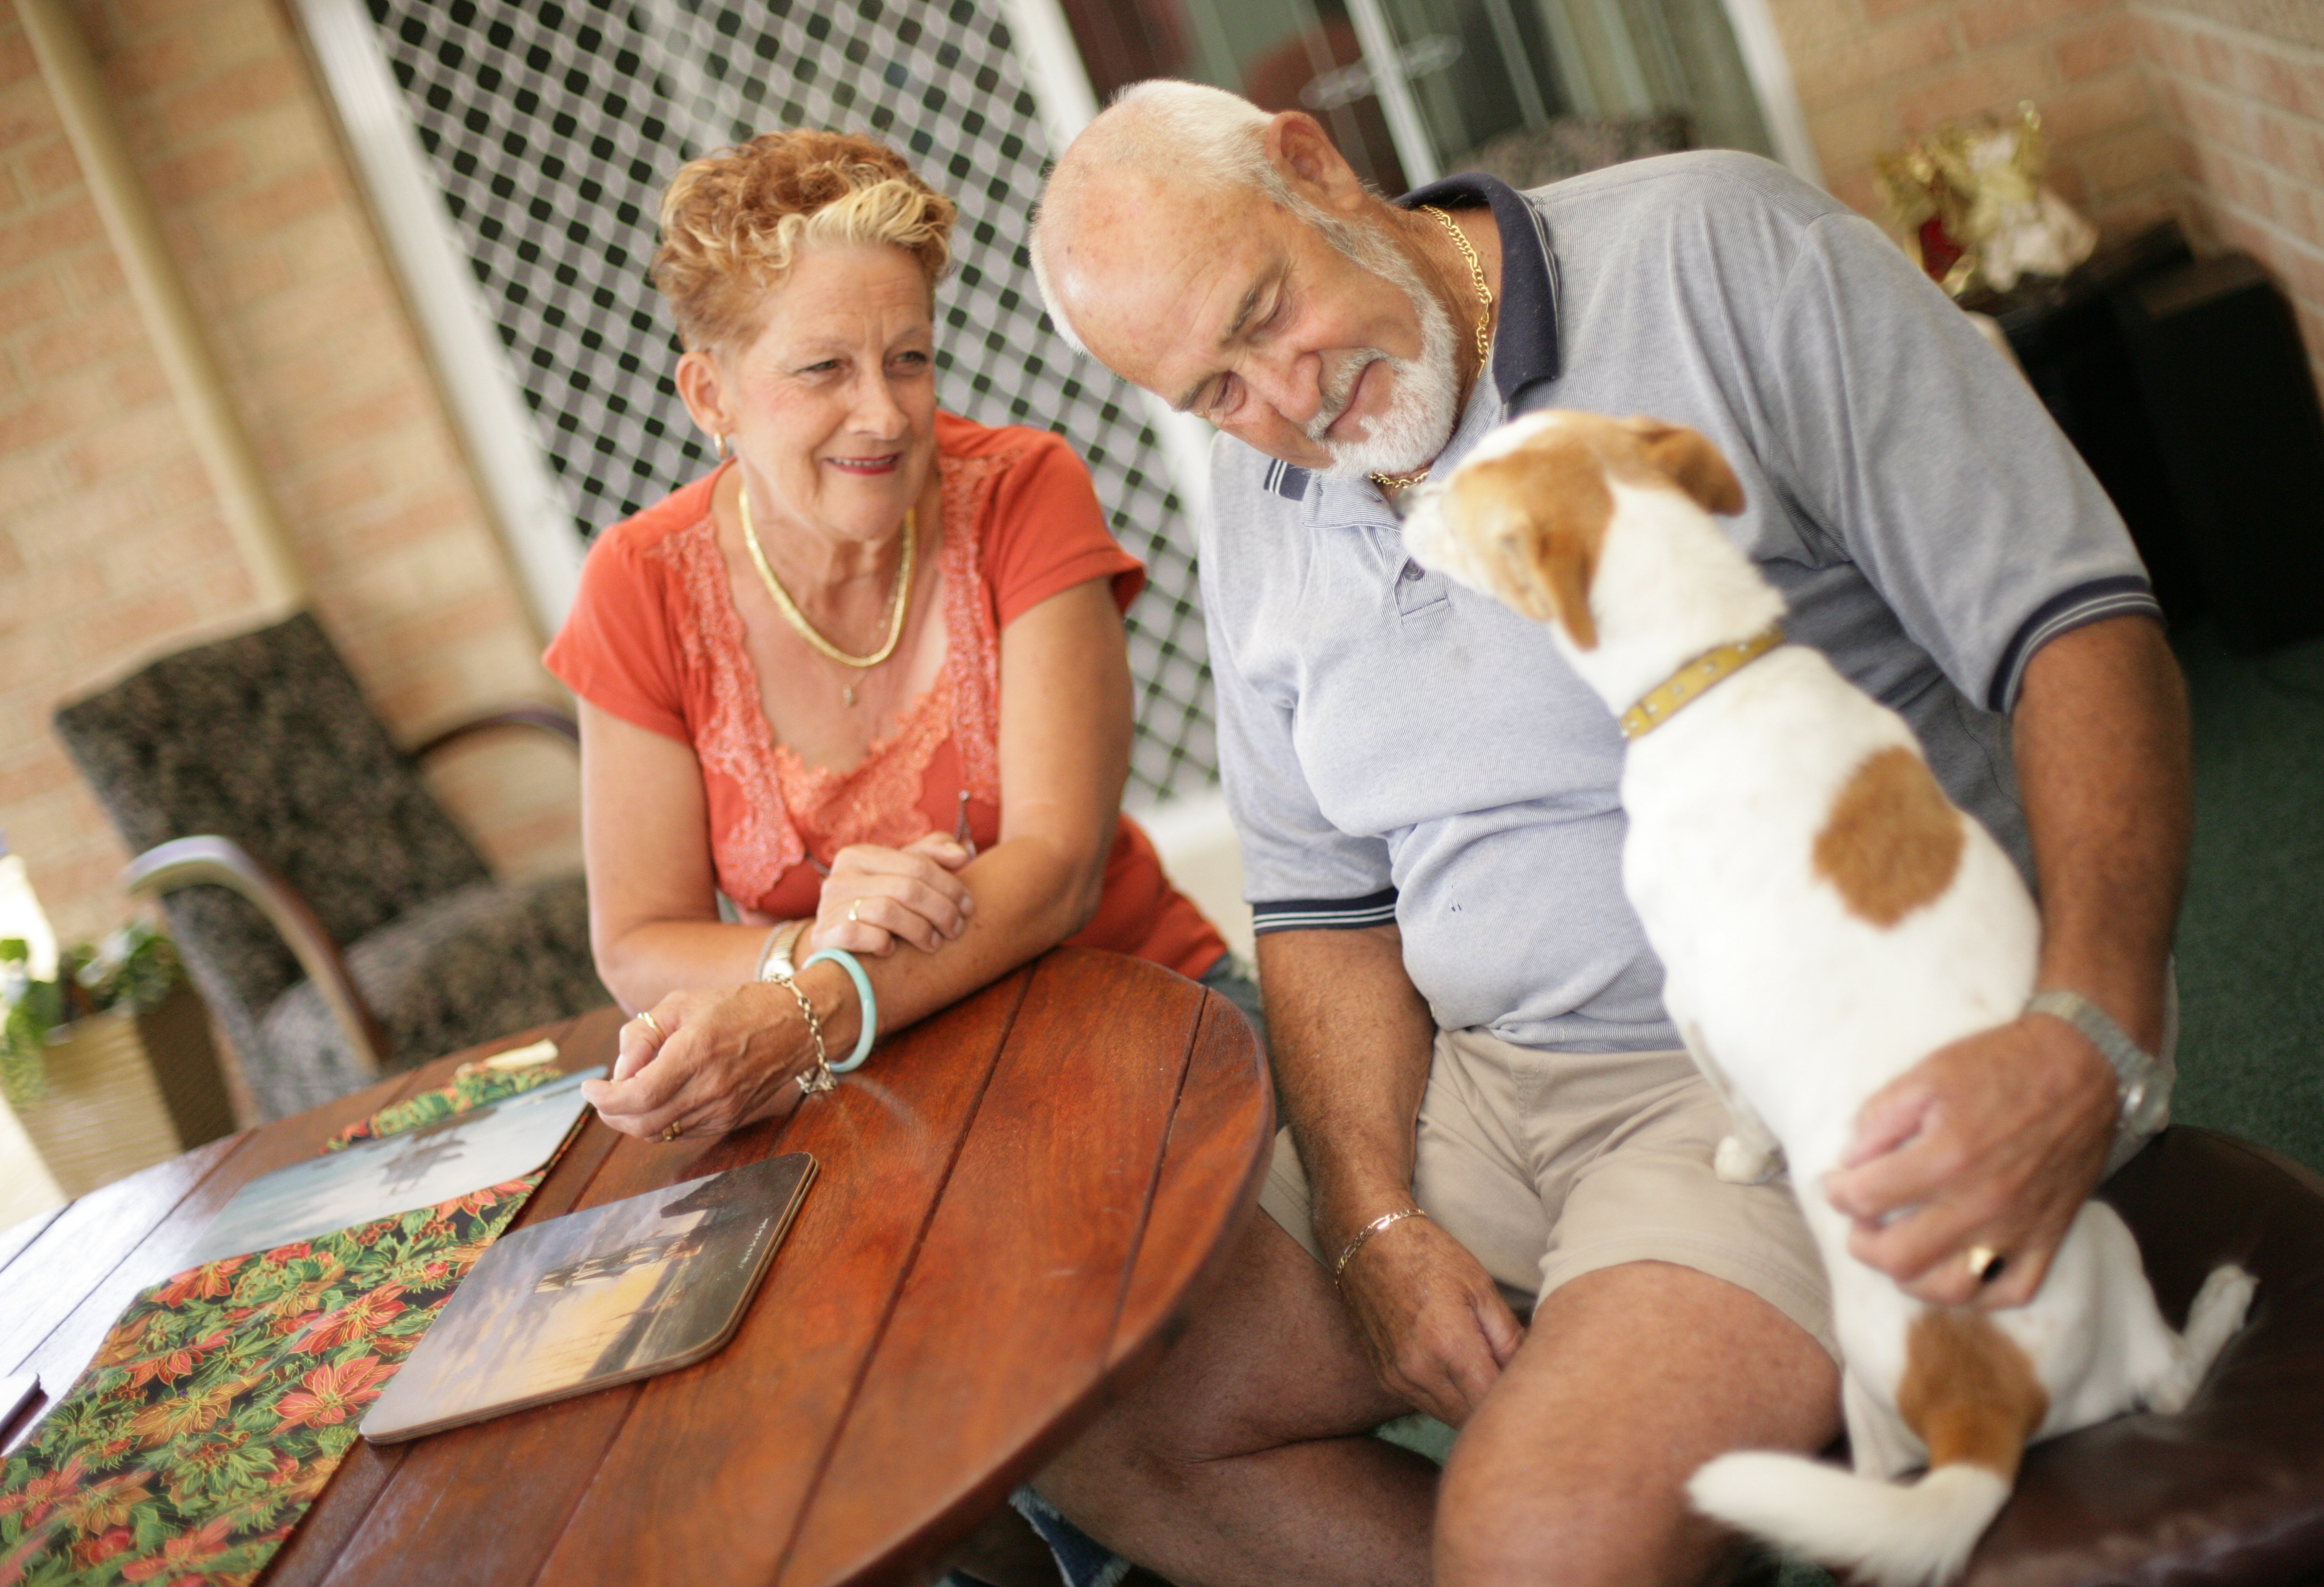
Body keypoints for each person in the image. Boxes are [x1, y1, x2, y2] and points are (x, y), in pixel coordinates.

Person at [1021, 82, 2187, 1587]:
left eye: (1268, 309)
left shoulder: (1721, 248)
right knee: (1091, 1414)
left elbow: (2073, 622)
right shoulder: (1261, 492)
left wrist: (2093, 1021)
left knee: (1535, 1542)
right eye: (1214, 391)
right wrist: (1372, 1217)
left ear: (1314, 166)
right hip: (1468, 1088)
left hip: (1768, 1077)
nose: (1284, 398)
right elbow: (1320, 907)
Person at [544, 127, 1249, 1154]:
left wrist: (806, 1006)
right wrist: (812, 941)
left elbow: (1057, 869)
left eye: (908, 359)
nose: (883, 414)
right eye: (824, 367)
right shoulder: (637, 584)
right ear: (711, 395)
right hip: (867, 1096)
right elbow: (638, 941)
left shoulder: (1022, 490)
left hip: (1133, 1011)